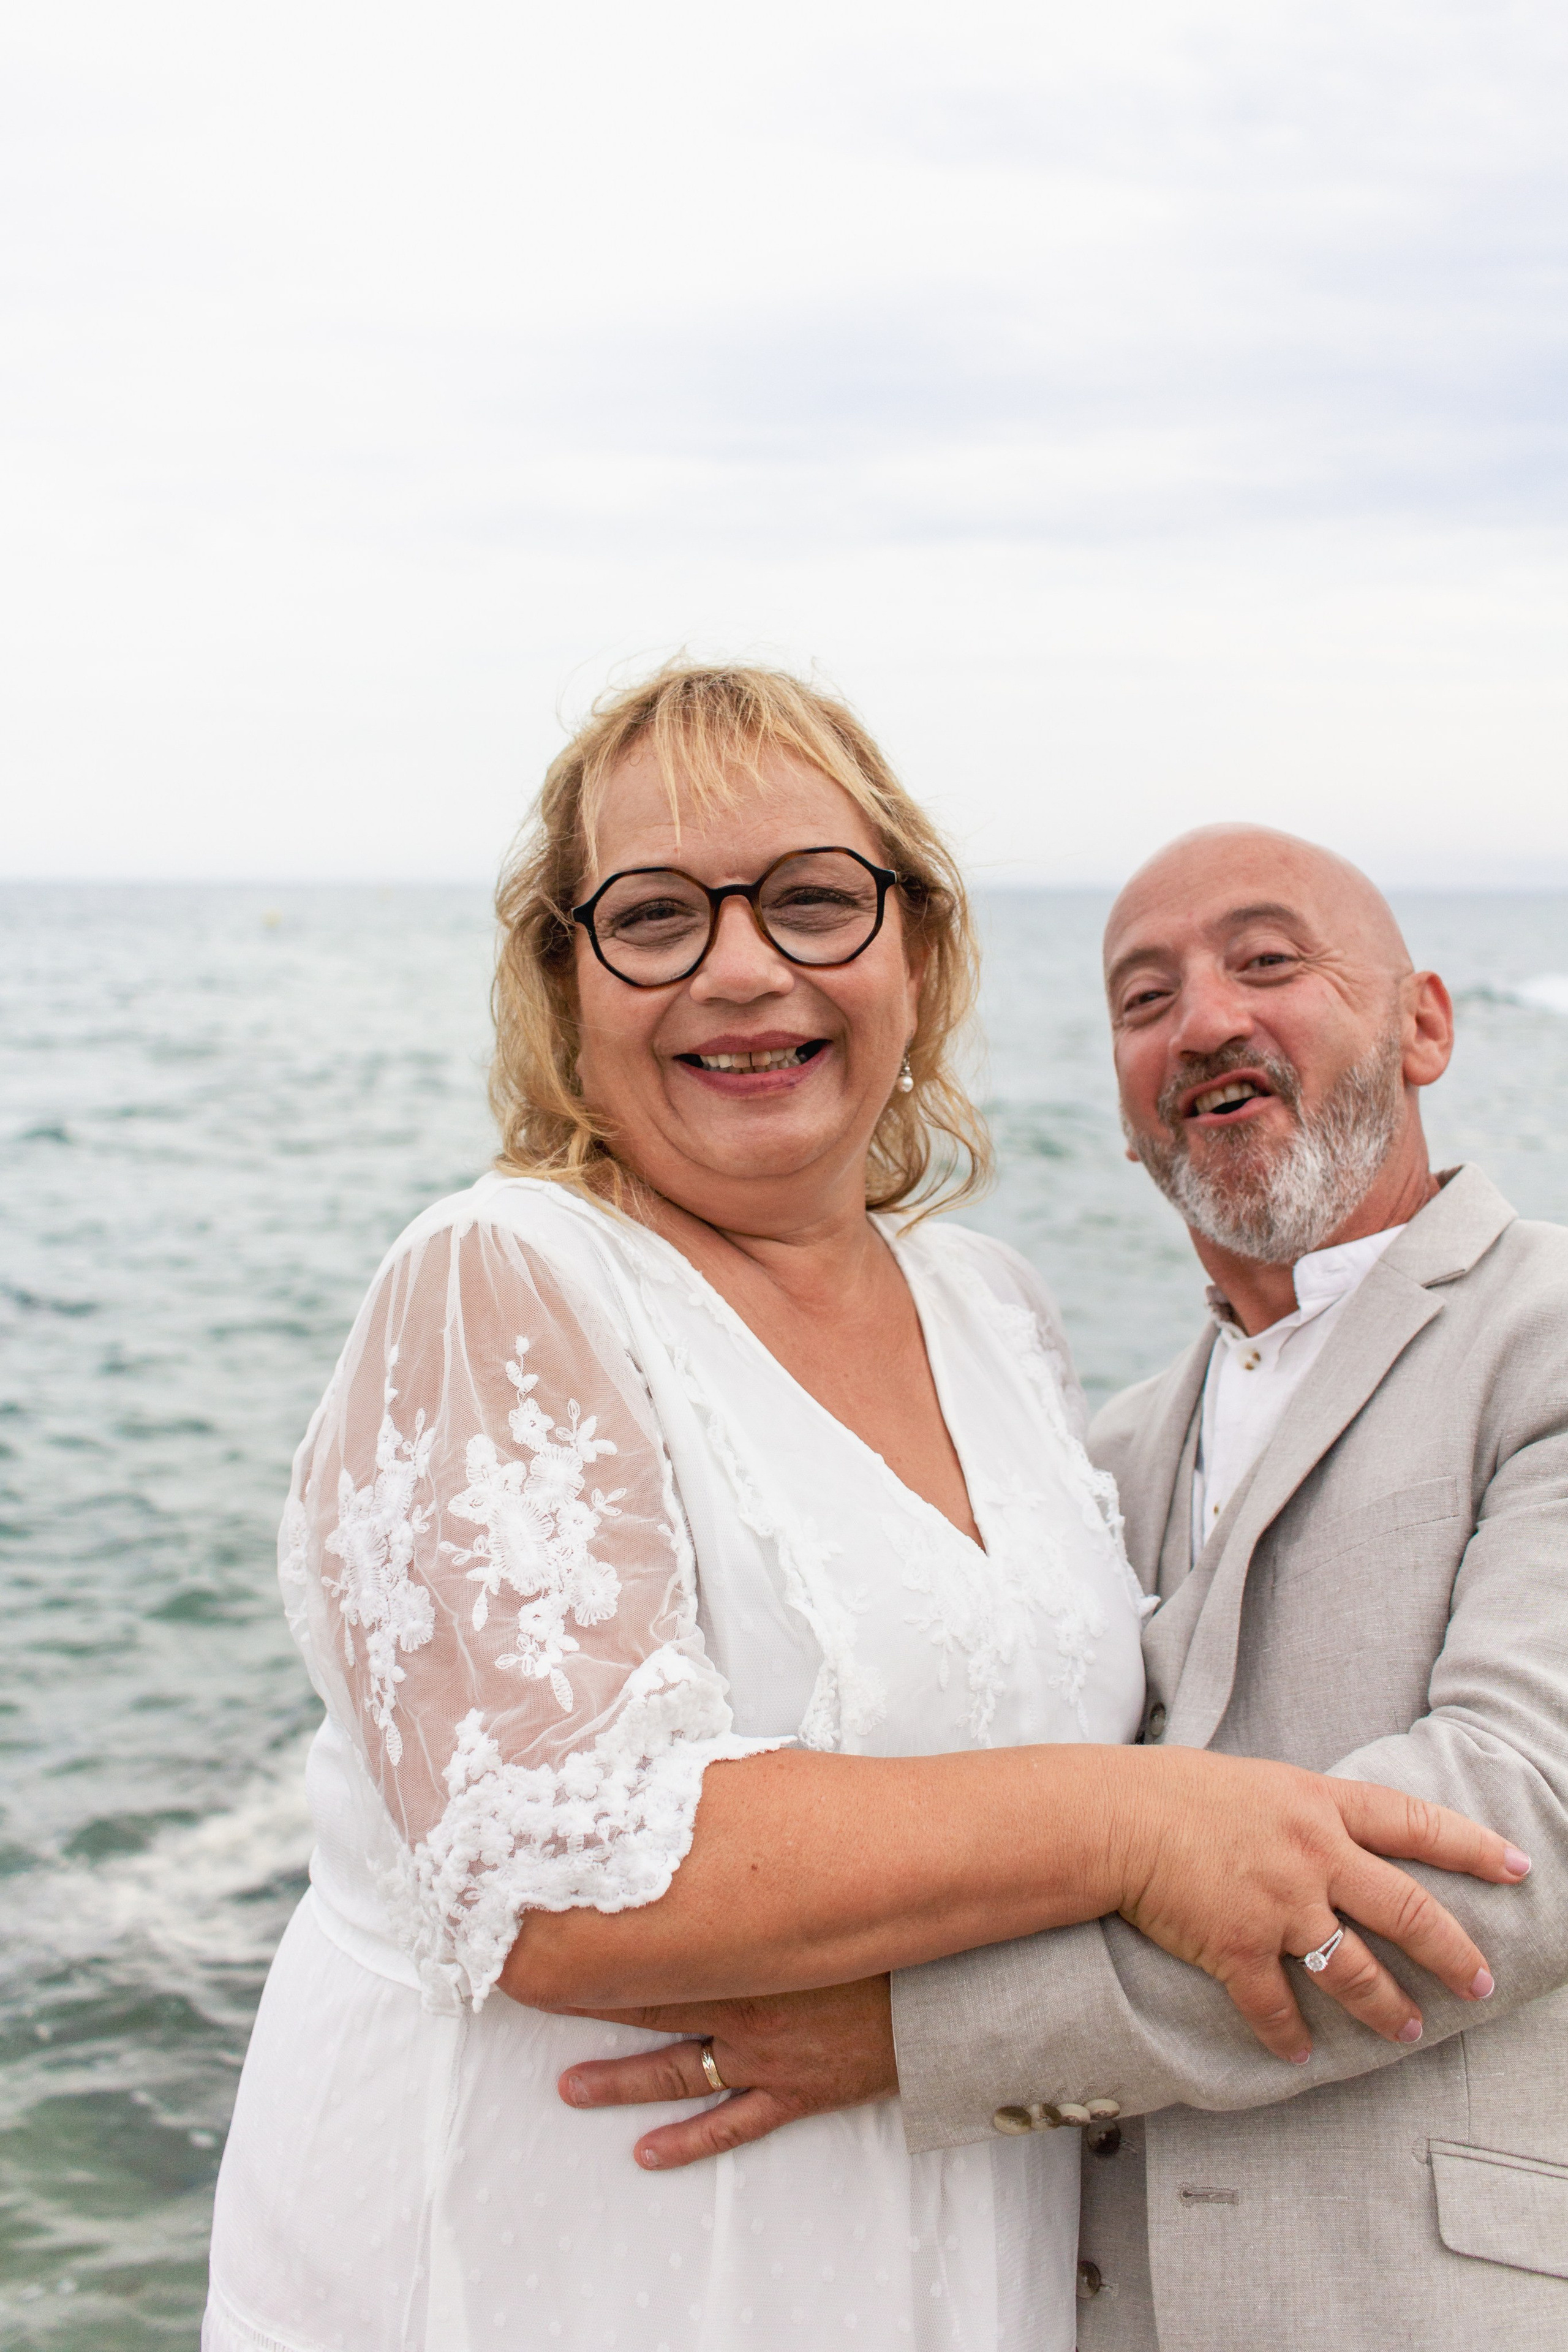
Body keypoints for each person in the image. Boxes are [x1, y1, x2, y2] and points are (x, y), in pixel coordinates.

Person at [202, 698, 1518, 2352]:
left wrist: (951, 2030)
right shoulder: (503, 1278)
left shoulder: (995, 1310)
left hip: (959, 2248)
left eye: (812, 899)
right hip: (574, 2260)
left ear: (916, 950)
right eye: (657, 916)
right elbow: (561, 1879)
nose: (742, 970)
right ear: (568, 983)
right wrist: (1131, 1823)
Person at [565, 823, 1568, 2348]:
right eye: (1140, 999)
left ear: (1424, 1022)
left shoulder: (1541, 1337)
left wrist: (916, 2033)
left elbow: (1508, 1842)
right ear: (1121, 1112)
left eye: (1266, 960)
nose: (1203, 1021)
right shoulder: (1095, 1448)